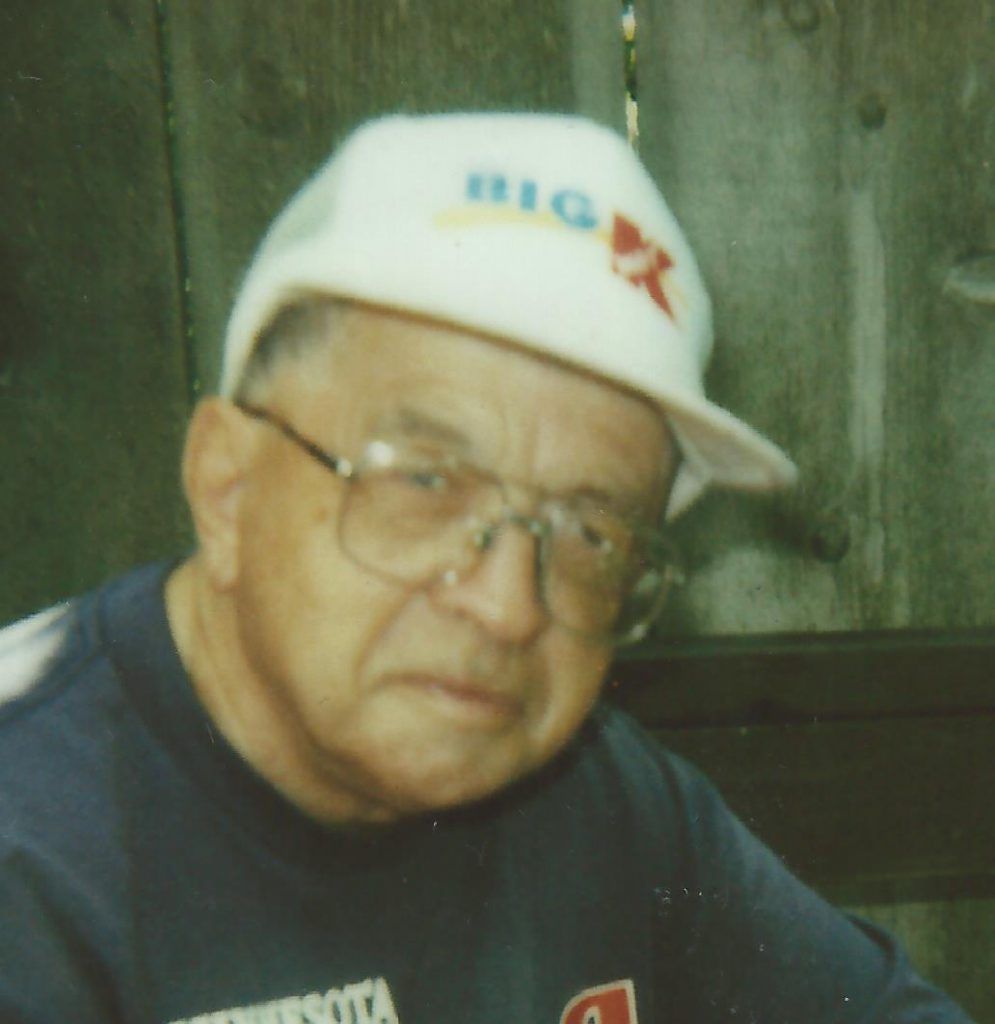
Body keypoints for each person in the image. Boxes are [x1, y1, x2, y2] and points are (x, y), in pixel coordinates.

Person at [0, 113, 972, 1024]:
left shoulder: (593, 795)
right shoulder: (34, 860)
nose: (508, 608)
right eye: (425, 481)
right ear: (227, 485)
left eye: (592, 534)